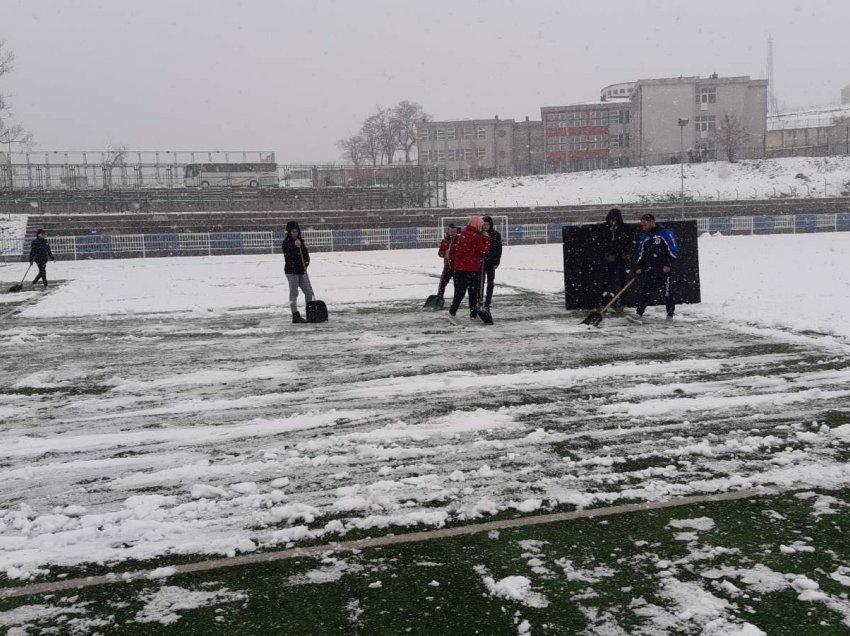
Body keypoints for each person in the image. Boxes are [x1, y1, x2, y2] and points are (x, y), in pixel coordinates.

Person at [634, 213, 678, 321]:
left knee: (668, 293)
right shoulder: (645, 237)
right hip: (650, 270)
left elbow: (673, 249)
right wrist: (640, 266)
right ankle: (639, 313)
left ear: (652, 222)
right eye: (642, 225)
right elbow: (641, 253)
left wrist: (668, 264)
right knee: (645, 292)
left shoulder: (665, 233)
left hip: (664, 270)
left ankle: (670, 315)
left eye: (645, 225)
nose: (643, 228)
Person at [447, 215, 490, 325]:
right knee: (472, 292)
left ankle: (453, 312)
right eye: (480, 225)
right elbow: (483, 250)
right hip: (471, 268)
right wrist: (486, 238)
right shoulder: (475, 236)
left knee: (460, 292)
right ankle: (472, 314)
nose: (481, 228)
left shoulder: (464, 234)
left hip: (460, 268)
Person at [598, 208, 635, 313]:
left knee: (622, 282)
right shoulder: (606, 229)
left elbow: (633, 241)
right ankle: (603, 303)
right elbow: (602, 241)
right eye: (610, 219)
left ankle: (619, 303)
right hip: (610, 260)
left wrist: (628, 252)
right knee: (605, 282)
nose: (612, 221)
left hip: (622, 260)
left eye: (614, 219)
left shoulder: (626, 229)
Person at [281, 220, 314, 324]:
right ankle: (295, 315)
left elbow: (305, 255)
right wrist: (295, 247)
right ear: (289, 232)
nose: (295, 233)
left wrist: (306, 263)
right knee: (294, 292)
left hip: (301, 271)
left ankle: (310, 312)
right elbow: (289, 257)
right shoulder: (286, 243)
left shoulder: (300, 242)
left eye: (296, 231)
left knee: (308, 291)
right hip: (291, 272)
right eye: (293, 231)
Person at [481, 215, 503, 310]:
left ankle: (488, 301)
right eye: (484, 224)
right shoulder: (479, 234)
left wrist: (496, 262)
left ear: (490, 225)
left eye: (487, 224)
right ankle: (479, 299)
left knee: (490, 282)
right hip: (481, 263)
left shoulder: (495, 235)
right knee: (480, 282)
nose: (486, 226)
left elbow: (499, 250)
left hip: (490, 263)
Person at [436, 224, 459, 301]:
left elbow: (461, 253)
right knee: (442, 284)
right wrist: (444, 253)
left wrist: (451, 255)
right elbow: (440, 253)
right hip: (447, 266)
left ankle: (456, 300)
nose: (453, 233)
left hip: (457, 266)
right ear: (448, 232)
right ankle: (439, 298)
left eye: (454, 232)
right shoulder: (445, 241)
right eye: (451, 232)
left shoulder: (460, 240)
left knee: (457, 285)